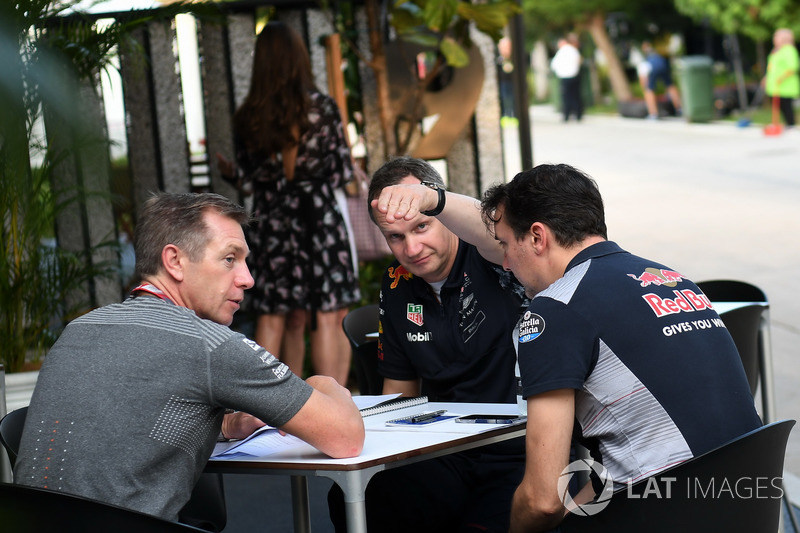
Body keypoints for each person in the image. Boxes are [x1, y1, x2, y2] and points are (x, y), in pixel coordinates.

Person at [374, 163, 762, 533]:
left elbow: (542, 501)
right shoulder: (673, 279)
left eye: (506, 246)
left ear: (538, 237)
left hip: (664, 511)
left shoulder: (554, 309)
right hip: (748, 501)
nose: (504, 263)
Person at [14, 192, 365, 527]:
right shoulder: (208, 344)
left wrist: (226, 425)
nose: (248, 279)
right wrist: (320, 383)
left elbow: (123, 427)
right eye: (230, 259)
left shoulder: (79, 328)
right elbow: (345, 437)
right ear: (175, 261)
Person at [328, 157, 528, 533]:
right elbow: (400, 394)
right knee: (359, 500)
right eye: (396, 237)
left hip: (515, 449)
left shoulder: (493, 254)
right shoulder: (395, 284)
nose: (412, 247)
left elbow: (493, 228)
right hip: (445, 452)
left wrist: (432, 198)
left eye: (422, 225)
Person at [217, 21, 359, 386]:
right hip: (318, 216)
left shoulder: (249, 116)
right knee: (330, 313)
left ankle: (271, 403)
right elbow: (342, 170)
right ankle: (333, 402)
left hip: (271, 220)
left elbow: (248, 179)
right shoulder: (321, 109)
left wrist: (237, 175)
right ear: (299, 60)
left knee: (275, 313)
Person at [763, 28, 799, 128]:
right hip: (775, 87)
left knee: (786, 107)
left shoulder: (789, 50)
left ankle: (790, 125)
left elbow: (793, 67)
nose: (774, 39)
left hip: (785, 86)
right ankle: (783, 125)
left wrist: (781, 78)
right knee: (779, 107)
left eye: (776, 36)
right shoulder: (776, 51)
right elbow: (772, 67)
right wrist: (766, 78)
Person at [637, 41, 682, 120]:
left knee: (648, 89)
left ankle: (653, 114)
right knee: (670, 85)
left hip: (651, 66)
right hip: (663, 63)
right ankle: (680, 109)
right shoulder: (658, 51)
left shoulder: (644, 60)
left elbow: (643, 80)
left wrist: (644, 87)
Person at [550, 33, 583, 122]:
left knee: (566, 97)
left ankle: (567, 115)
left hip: (565, 77)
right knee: (576, 96)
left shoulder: (561, 51)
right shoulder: (574, 50)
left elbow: (554, 65)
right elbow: (579, 61)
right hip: (575, 76)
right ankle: (578, 114)